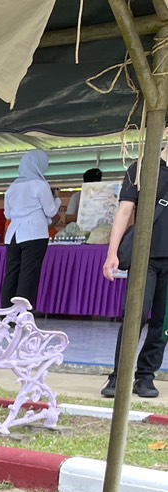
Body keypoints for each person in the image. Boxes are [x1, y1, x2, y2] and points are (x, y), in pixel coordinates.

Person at [103, 134, 168, 399]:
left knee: (163, 323)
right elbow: (124, 211)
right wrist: (111, 253)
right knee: (135, 315)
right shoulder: (141, 168)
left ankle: (145, 377)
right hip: (146, 257)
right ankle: (119, 375)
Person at [0, 151, 59, 309]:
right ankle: (23, 314)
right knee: (29, 273)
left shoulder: (12, 186)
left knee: (11, 273)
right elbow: (51, 211)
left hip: (12, 235)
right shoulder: (40, 184)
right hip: (34, 233)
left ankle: (7, 311)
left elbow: (7, 214)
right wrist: (58, 200)